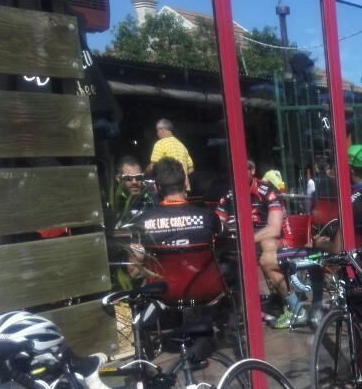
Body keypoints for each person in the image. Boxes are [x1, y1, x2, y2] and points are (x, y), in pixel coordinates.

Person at [216, 160, 307, 329]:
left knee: (267, 250)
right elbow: (218, 222)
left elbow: (274, 229)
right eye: (233, 171)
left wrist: (243, 241)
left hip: (280, 240)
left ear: (252, 170)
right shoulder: (229, 194)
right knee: (226, 254)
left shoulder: (267, 191)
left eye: (241, 170)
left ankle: (296, 309)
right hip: (248, 242)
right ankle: (243, 309)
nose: (236, 175)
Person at [131, 158, 225, 306]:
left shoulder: (141, 222)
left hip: (162, 297)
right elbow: (223, 247)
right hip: (206, 294)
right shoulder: (208, 216)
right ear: (186, 183)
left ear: (156, 187)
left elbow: (134, 270)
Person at [113, 155, 156, 230]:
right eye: (128, 178)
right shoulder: (112, 204)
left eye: (138, 177)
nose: (134, 182)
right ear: (118, 179)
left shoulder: (152, 199)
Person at [149, 119, 194, 189]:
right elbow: (191, 168)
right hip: (183, 188)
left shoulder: (160, 144)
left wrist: (145, 174)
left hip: (168, 188)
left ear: (161, 130)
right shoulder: (182, 146)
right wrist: (181, 176)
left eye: (157, 131)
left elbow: (153, 166)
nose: (157, 133)